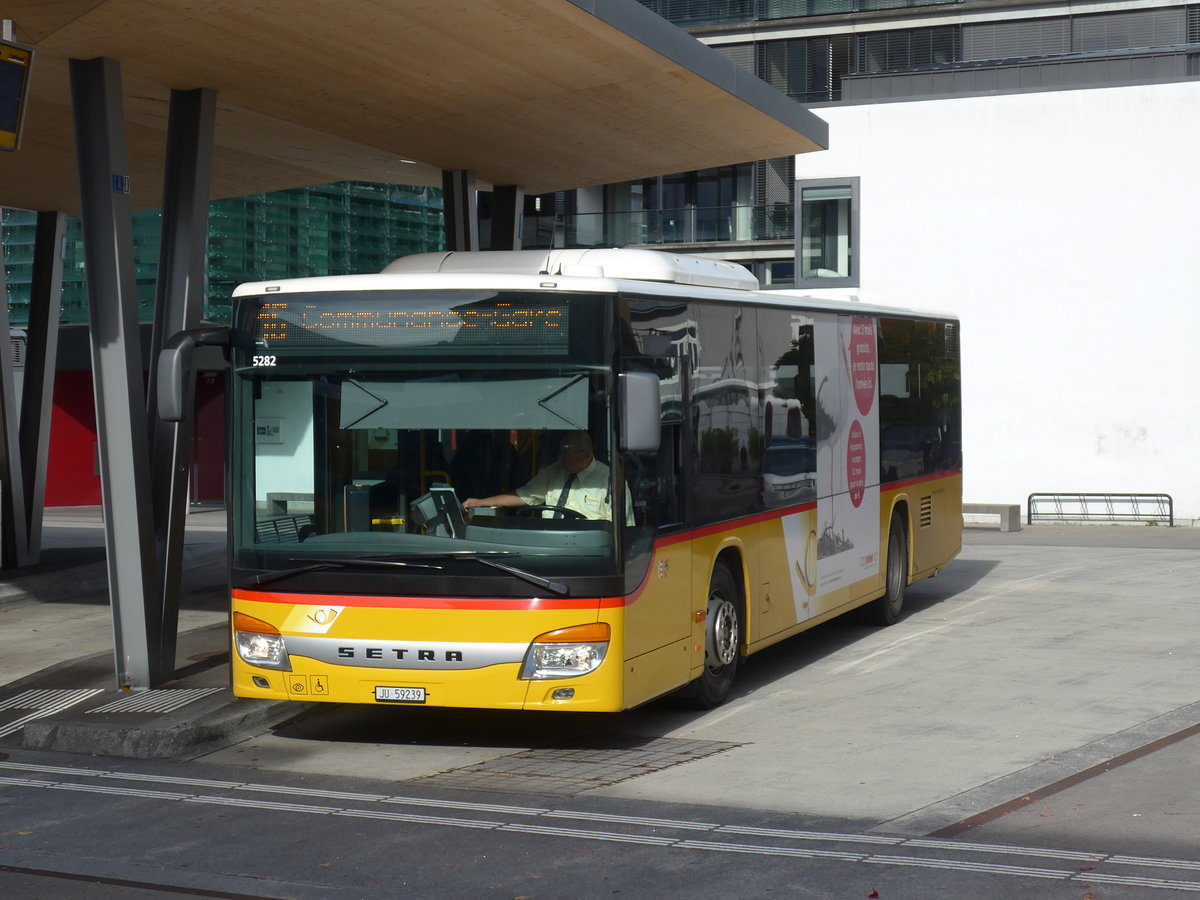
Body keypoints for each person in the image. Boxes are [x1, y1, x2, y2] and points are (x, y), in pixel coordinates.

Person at [463, 431, 621, 521]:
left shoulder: (609, 480)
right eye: (560, 453)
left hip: (588, 553)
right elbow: (525, 496)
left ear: (586, 455)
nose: (561, 459)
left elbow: (622, 528)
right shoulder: (554, 471)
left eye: (567, 455)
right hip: (547, 543)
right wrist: (481, 502)